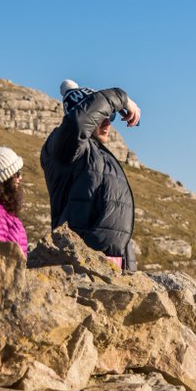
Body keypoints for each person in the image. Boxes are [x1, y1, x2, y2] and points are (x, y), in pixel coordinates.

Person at [40, 79, 142, 271]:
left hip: (111, 265)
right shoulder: (65, 148)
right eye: (100, 117)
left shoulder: (97, 154)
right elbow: (78, 124)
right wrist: (121, 98)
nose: (107, 123)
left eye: (110, 117)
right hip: (81, 263)